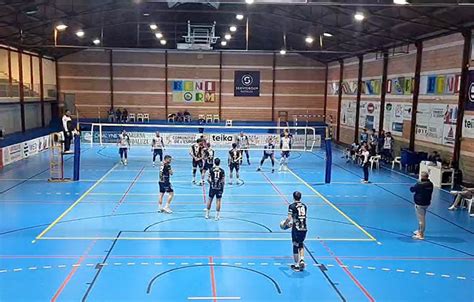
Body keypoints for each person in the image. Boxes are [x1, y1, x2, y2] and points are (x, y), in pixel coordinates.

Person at [283, 191, 308, 272]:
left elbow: (289, 218)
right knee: (301, 243)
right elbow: (300, 217)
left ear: (293, 197)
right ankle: (302, 259)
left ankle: (296, 265)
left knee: (295, 244)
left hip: (296, 228)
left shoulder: (292, 206)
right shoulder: (304, 206)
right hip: (304, 227)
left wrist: (285, 224)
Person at [410, 171, 434, 240]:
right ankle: (419, 230)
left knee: (421, 220)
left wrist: (415, 185)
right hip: (427, 202)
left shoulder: (419, 184)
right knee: (422, 217)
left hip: (420, 203)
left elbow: (412, 190)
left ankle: (421, 234)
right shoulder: (430, 184)